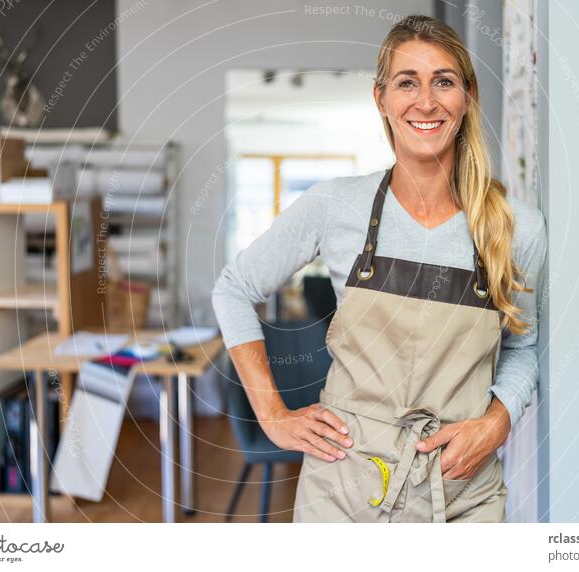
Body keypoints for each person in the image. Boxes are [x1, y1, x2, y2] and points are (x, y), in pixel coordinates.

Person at [211, 14, 547, 522]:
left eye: (444, 82)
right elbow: (235, 287)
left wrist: (498, 420)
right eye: (407, 82)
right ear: (381, 98)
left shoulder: (517, 228)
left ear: (467, 96)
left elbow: (522, 347)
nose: (426, 101)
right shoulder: (335, 206)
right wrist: (272, 415)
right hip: (342, 489)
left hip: (460, 493)